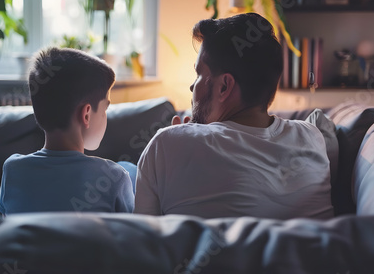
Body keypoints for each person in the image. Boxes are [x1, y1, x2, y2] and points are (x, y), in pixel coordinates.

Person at [134, 13, 334, 220]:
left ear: (224, 86)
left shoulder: (166, 144)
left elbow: (144, 240)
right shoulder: (313, 136)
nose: (192, 86)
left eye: (199, 74)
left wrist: (176, 142)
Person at [0, 47, 135, 215]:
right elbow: (132, 230)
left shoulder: (12, 169)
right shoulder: (115, 177)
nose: (104, 117)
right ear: (86, 115)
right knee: (130, 169)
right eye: (104, 110)